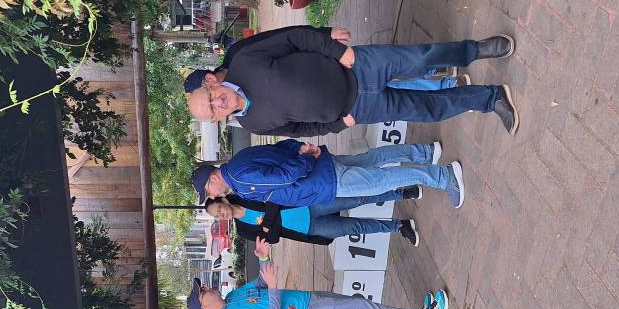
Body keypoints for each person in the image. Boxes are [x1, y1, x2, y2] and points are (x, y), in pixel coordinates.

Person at [183, 25, 519, 137]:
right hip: (358, 109)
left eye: (210, 97)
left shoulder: (244, 61)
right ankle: (491, 99)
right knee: (427, 110)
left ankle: (477, 50)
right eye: (212, 110)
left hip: (354, 67)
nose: (217, 103)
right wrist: (336, 126)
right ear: (216, 119)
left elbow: (294, 38)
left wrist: (337, 50)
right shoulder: (254, 125)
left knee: (420, 58)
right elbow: (300, 129)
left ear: (211, 84)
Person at [186, 237, 449, 309]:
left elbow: (261, 282)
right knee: (361, 308)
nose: (207, 289)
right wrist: (274, 288)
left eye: (203, 287)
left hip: (307, 299)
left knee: (359, 305)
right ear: (204, 306)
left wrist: (263, 258)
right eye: (203, 292)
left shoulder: (233, 297)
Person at [191, 138, 466, 209]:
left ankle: (444, 176)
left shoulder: (240, 181)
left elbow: (285, 178)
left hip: (322, 180)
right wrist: (302, 149)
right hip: (322, 168)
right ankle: (425, 151)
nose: (213, 196)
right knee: (372, 160)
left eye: (208, 192)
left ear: (213, 179)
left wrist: (306, 158)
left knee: (381, 181)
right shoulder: (238, 160)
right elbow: (278, 149)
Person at [205, 185, 423, 247]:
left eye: (219, 209)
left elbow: (275, 197)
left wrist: (269, 222)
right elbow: (272, 238)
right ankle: (399, 226)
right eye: (218, 216)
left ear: (223, 200)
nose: (222, 215)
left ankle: (401, 193)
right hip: (308, 229)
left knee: (356, 199)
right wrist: (269, 220)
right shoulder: (243, 230)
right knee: (355, 227)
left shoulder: (244, 194)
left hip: (308, 205)